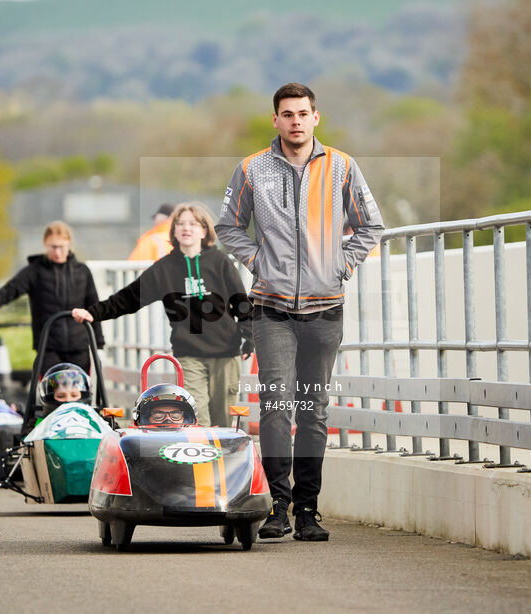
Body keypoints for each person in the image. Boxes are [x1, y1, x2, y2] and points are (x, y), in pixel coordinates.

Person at [215, 83, 384, 542]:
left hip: (326, 309)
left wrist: (342, 263)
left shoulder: (342, 166)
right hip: (271, 310)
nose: (295, 121)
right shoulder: (251, 169)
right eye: (286, 114)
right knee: (275, 407)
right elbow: (227, 227)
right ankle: (277, 506)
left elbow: (372, 226)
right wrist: (257, 261)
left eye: (302, 113)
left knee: (312, 409)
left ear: (316, 117)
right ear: (275, 120)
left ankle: (309, 510)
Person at [72, 202, 253, 428]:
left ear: (204, 231)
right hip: (189, 355)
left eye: (193, 224)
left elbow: (241, 303)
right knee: (199, 422)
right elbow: (128, 298)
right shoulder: (164, 268)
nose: (187, 228)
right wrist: (92, 313)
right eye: (181, 224)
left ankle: (227, 462)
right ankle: (200, 461)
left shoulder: (221, 262)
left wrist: (249, 338)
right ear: (174, 230)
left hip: (226, 353)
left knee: (224, 420)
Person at [0, 221, 104, 377]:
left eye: (61, 246)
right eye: (53, 247)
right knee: (52, 393)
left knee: (80, 392)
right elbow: (8, 291)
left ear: (69, 244)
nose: (57, 252)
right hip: (48, 347)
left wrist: (99, 346)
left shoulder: (82, 272)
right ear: (45, 244)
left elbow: (93, 308)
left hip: (80, 347)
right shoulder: (35, 271)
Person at [132, 383, 197, 427]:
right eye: (158, 416)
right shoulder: (133, 443)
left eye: (175, 416)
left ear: (187, 419)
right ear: (145, 419)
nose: (168, 420)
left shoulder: (198, 442)